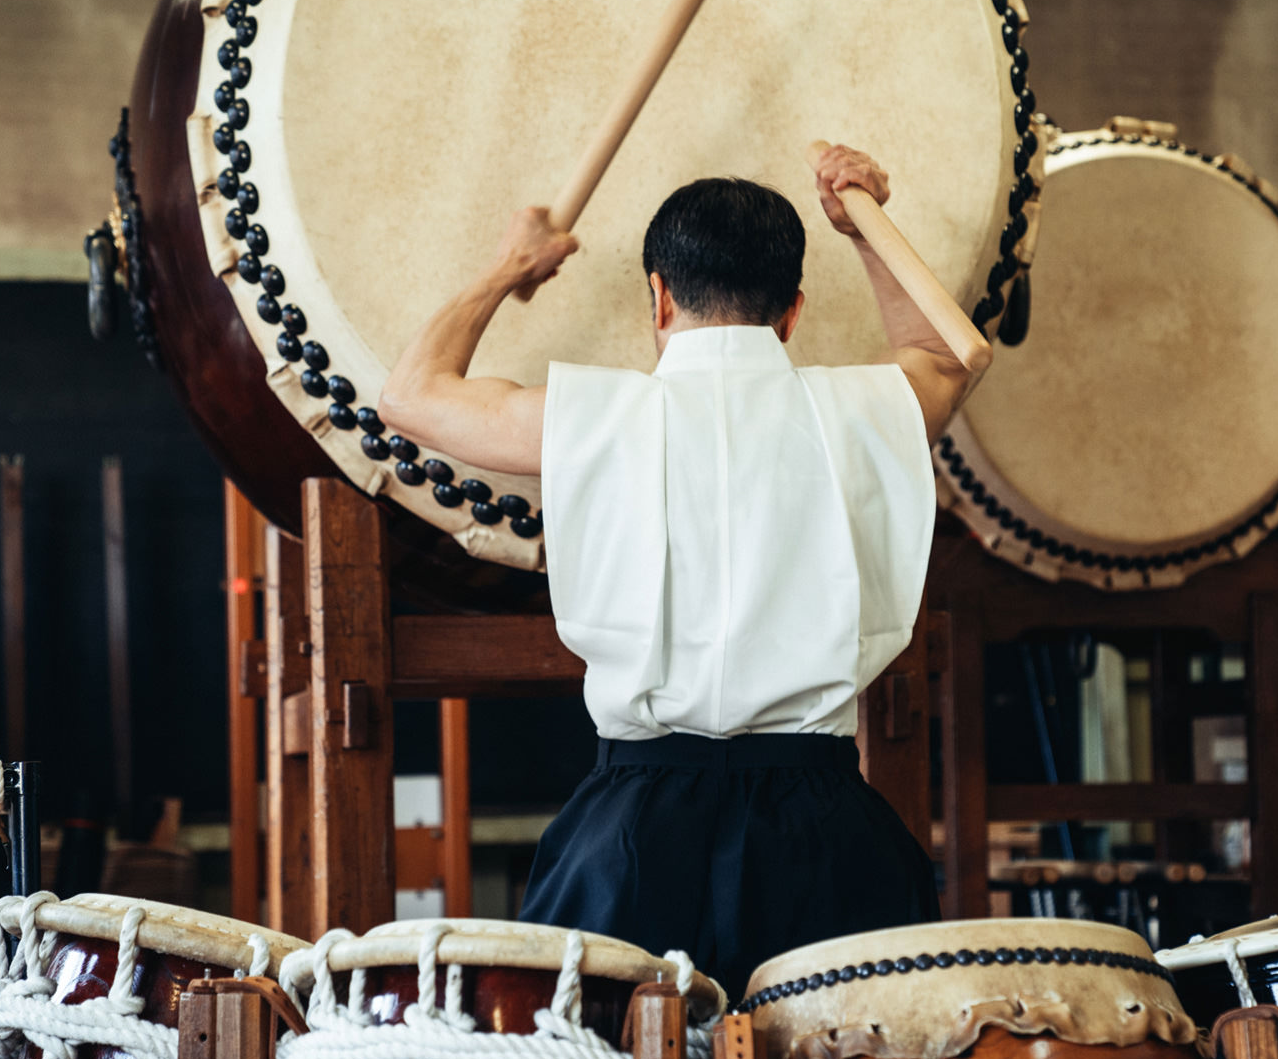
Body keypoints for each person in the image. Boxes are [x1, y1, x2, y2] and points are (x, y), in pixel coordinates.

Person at [380, 145, 971, 996]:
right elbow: (945, 356)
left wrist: (513, 267)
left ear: (658, 295)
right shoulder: (864, 411)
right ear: (793, 312)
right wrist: (864, 230)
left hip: (633, 830)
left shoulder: (592, 418)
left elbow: (411, 394)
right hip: (827, 829)